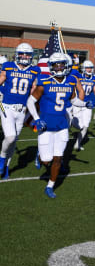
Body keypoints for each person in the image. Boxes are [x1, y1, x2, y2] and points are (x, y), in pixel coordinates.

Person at [26, 52, 92, 198]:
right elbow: (30, 101)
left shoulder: (70, 81)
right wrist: (36, 119)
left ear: (66, 65)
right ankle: (40, 155)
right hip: (46, 127)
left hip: (62, 126)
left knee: (58, 159)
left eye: (61, 64)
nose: (59, 67)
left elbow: (74, 100)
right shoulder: (45, 82)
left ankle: (50, 186)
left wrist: (85, 103)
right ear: (51, 66)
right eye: (56, 65)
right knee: (46, 160)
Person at [0, 43, 40, 178]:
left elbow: (34, 90)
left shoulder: (34, 70)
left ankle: (6, 167)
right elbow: (1, 79)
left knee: (14, 141)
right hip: (7, 107)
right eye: (22, 53)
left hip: (22, 110)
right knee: (10, 137)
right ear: (17, 54)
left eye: (27, 54)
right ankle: (1, 158)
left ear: (31, 56)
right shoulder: (8, 66)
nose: (24, 56)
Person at [72, 60, 95, 151]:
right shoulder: (78, 77)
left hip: (88, 104)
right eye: (88, 68)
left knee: (86, 126)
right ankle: (71, 121)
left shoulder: (94, 78)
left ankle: (78, 144)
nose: (89, 70)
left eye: (91, 68)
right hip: (78, 103)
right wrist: (76, 63)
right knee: (78, 125)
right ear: (83, 68)